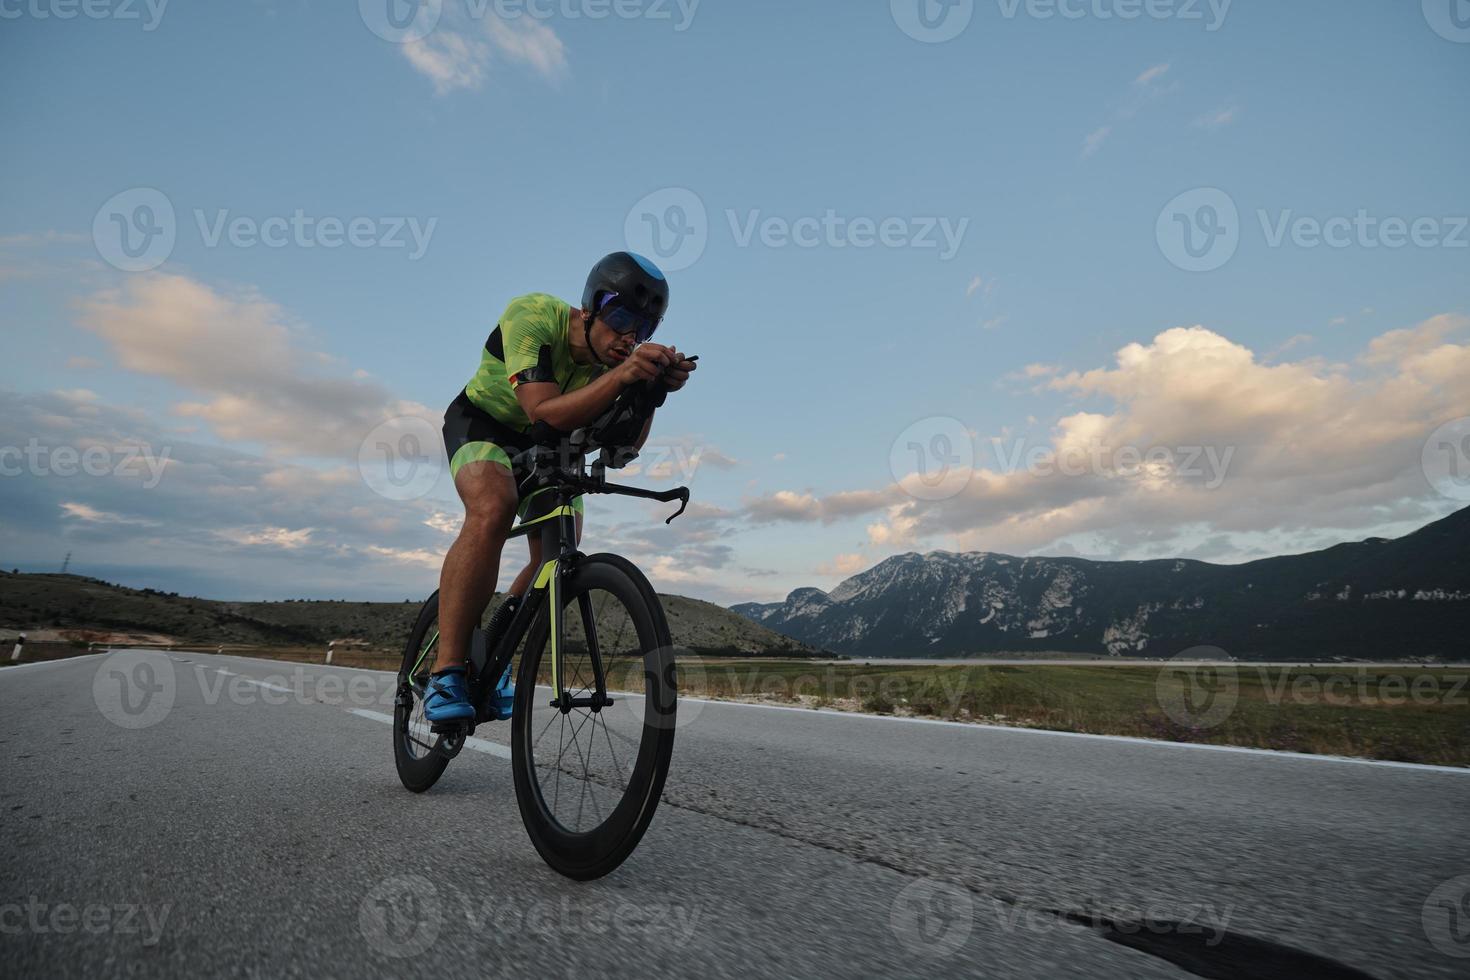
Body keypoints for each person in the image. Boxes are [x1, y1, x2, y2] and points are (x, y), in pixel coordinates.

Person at [425, 252, 696, 724]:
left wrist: (652, 396)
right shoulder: (532, 315)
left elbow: (620, 452)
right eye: (621, 319)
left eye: (644, 329)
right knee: (494, 508)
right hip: (485, 425)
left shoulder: (617, 364)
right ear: (592, 306)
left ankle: (495, 647)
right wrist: (623, 376)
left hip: (553, 447)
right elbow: (543, 412)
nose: (629, 337)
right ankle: (446, 670)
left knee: (558, 550)